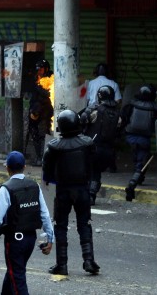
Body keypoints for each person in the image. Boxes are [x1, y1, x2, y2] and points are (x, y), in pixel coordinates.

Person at [0, 151, 54, 294]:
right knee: (13, 272)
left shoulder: (6, 188)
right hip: (30, 239)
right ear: (24, 167)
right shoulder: (34, 186)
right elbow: (44, 214)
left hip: (15, 241)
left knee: (17, 279)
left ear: (7, 168)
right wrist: (50, 238)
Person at [42, 110, 100, 275]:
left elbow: (46, 167)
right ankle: (88, 261)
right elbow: (94, 163)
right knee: (84, 224)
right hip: (82, 189)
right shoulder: (87, 143)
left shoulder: (54, 146)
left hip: (63, 191)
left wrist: (50, 179)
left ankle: (62, 264)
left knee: (61, 226)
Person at [121, 84, 157, 201]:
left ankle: (139, 178)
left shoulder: (131, 104)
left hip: (130, 136)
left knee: (137, 158)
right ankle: (132, 184)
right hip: (144, 139)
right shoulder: (156, 107)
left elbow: (123, 118)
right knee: (141, 162)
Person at [80, 85, 122, 205]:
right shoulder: (117, 114)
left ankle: (86, 194)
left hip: (92, 146)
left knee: (86, 171)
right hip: (108, 150)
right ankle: (92, 195)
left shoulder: (96, 110)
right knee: (96, 172)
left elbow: (83, 120)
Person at [28, 59, 54, 166]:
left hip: (46, 111)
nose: (39, 71)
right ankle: (38, 157)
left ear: (46, 69)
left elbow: (49, 94)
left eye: (41, 69)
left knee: (45, 133)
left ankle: (45, 158)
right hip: (35, 109)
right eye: (38, 69)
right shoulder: (37, 78)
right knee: (34, 132)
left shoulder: (51, 78)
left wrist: (40, 89)